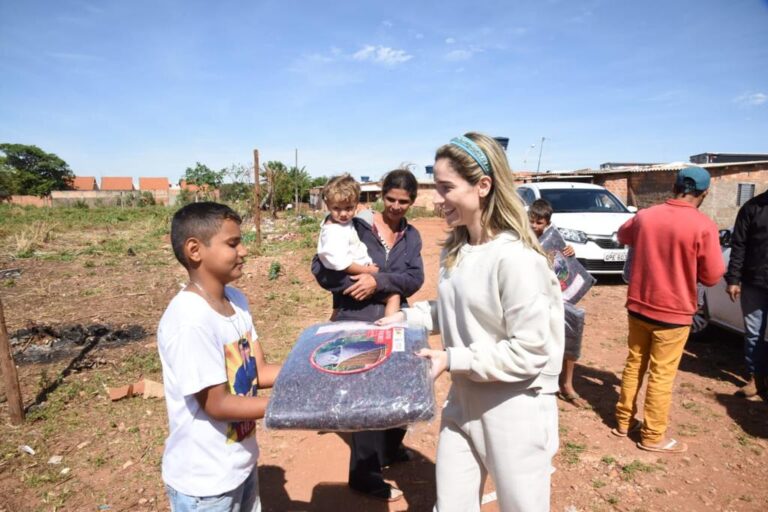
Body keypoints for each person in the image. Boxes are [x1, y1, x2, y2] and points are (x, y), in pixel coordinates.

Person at [379, 133, 564, 512]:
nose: (436, 199)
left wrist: (452, 359)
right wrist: (404, 319)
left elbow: (530, 352)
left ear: (483, 186)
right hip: (464, 397)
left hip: (515, 406)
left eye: (446, 188)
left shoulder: (517, 259)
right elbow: (454, 308)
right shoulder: (458, 248)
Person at [158, 202, 281, 512]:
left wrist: (311, 372)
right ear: (195, 250)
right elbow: (218, 404)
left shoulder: (236, 301)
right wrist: (289, 406)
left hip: (240, 464)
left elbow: (258, 371)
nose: (244, 251)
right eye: (233, 243)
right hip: (206, 484)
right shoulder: (190, 320)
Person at [311, 169, 425, 502]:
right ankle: (365, 474)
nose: (396, 206)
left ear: (412, 202)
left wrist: (379, 282)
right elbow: (321, 269)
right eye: (391, 199)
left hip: (394, 317)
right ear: (381, 196)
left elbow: (415, 278)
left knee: (401, 385)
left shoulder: (412, 236)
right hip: (355, 315)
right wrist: (355, 284)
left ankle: (390, 447)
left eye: (403, 201)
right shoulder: (355, 225)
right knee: (365, 395)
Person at [613, 166, 724, 453]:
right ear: (704, 193)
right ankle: (652, 436)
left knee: (634, 364)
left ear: (674, 187)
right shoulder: (704, 226)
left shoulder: (645, 216)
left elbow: (623, 235)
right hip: (673, 314)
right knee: (661, 375)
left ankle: (624, 421)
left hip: (638, 306)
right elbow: (712, 276)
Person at [317, 174, 400, 320]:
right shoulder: (333, 232)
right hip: (350, 274)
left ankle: (334, 319)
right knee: (393, 296)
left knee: (339, 302)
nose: (343, 214)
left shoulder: (336, 222)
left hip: (346, 274)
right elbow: (343, 264)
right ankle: (389, 326)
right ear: (327, 205)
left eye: (349, 208)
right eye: (337, 208)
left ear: (356, 204)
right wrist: (367, 270)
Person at [528, 199, 586, 408]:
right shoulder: (521, 239)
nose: (535, 226)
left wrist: (570, 252)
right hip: (531, 297)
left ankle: (567, 384)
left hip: (556, 297)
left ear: (548, 223)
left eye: (539, 223)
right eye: (532, 221)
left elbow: (564, 265)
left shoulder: (554, 241)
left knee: (571, 331)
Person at [725, 186, 768, 398]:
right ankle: (756, 378)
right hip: (754, 282)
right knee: (753, 333)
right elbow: (738, 245)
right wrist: (733, 279)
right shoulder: (752, 208)